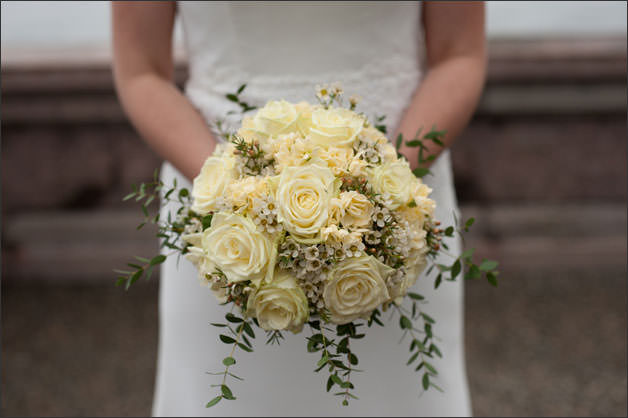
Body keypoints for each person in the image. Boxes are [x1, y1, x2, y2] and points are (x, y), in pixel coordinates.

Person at [112, 2, 486, 416]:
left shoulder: (389, 205)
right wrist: (240, 200)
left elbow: (459, 55)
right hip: (217, 203)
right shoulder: (229, 204)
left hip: (399, 199)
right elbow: (141, 72)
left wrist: (378, 193)